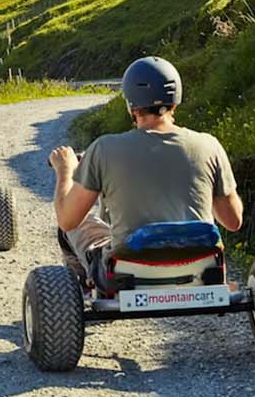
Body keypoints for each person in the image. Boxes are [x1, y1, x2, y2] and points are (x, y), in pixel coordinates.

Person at [49, 56, 244, 286]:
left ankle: (83, 287)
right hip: (202, 268)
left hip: (127, 274)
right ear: (176, 99)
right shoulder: (209, 145)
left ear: (130, 104)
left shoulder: (103, 149)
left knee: (79, 226)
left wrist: (66, 170)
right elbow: (233, 221)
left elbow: (67, 220)